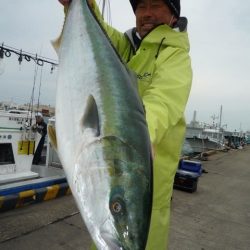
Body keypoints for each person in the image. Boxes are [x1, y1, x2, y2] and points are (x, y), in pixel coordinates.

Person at [56, 0, 192, 249]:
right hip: (110, 189)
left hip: (142, 202)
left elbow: (163, 102)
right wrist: (79, 4)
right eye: (141, 6)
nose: (147, 14)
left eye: (156, 6)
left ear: (173, 14)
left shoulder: (176, 57)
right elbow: (97, 31)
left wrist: (143, 135)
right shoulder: (126, 48)